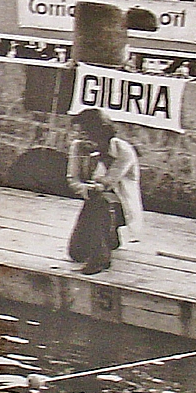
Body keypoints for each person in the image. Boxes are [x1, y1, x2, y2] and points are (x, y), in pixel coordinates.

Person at [65, 108, 142, 275]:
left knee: (100, 202)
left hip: (119, 203)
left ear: (99, 132)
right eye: (78, 133)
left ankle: (101, 259)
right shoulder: (77, 148)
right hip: (93, 199)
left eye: (85, 134)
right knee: (77, 253)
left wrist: (96, 187)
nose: (80, 138)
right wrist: (85, 188)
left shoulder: (123, 151)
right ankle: (109, 236)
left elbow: (109, 181)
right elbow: (73, 179)